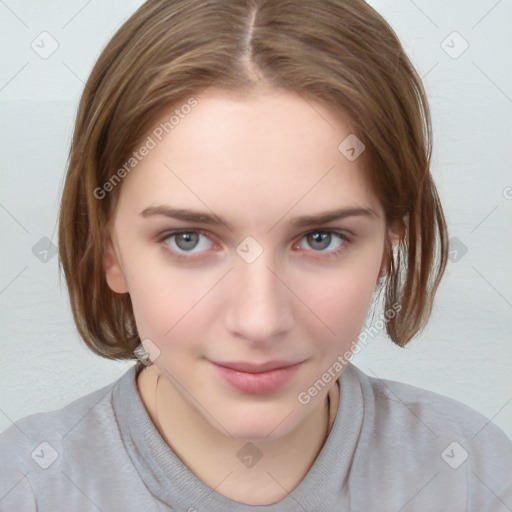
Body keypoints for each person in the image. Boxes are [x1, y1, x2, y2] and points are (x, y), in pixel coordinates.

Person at [1, 0, 511, 510]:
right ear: (109, 250)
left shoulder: (474, 475)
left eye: (320, 239)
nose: (259, 321)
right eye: (188, 239)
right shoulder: (23, 489)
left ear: (389, 245)